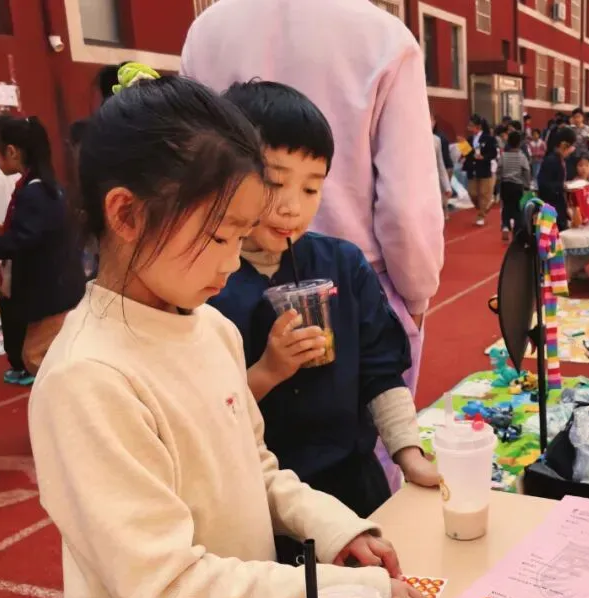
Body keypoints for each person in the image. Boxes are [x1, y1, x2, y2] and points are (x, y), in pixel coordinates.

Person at [28, 76, 439, 598]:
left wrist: (335, 529)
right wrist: (336, 590)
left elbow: (259, 467)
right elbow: (166, 584)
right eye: (219, 237)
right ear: (128, 215)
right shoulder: (89, 379)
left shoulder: (210, 327)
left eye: (240, 236)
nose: (231, 262)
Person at [181, 0, 444, 407]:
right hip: (356, 289)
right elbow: (407, 207)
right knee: (365, 439)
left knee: (235, 429)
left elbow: (190, 169)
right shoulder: (384, 37)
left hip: (223, 276)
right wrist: (415, 299)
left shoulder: (207, 30)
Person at [210, 80, 440, 533]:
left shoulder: (343, 264)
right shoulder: (207, 285)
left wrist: (409, 455)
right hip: (265, 505)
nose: (292, 207)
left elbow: (379, 370)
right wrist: (267, 372)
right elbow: (201, 416)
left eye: (312, 189)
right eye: (275, 183)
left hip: (354, 485)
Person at [0, 116, 84, 384]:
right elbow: (33, 231)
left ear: (11, 151)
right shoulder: (41, 186)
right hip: (57, 286)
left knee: (38, 356)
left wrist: (0, 240)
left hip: (51, 290)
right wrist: (4, 229)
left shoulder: (36, 191)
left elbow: (23, 240)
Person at [537, 126, 577, 232]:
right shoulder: (551, 161)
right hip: (551, 208)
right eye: (571, 147)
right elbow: (543, 184)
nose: (572, 150)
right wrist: (561, 186)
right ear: (564, 146)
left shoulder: (561, 160)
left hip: (559, 206)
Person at [463, 114, 499, 227]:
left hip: (484, 169)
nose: (469, 128)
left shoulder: (489, 138)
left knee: (484, 193)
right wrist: (462, 145)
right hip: (472, 169)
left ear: (478, 126)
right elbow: (467, 154)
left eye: (471, 125)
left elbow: (494, 153)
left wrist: (484, 157)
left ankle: (481, 215)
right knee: (472, 193)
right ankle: (483, 207)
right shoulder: (469, 139)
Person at [498, 129, 532, 241]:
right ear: (520, 143)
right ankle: (517, 230)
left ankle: (505, 226)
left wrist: (500, 179)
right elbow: (526, 170)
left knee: (506, 207)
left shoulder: (504, 156)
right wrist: (527, 184)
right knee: (518, 208)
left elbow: (499, 169)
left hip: (505, 185)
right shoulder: (522, 157)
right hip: (517, 185)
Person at [568, 155, 589, 227]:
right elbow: (574, 205)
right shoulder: (575, 185)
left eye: (586, 165)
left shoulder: (588, 183)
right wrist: (581, 218)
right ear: (576, 167)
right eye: (580, 165)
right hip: (579, 220)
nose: (584, 168)